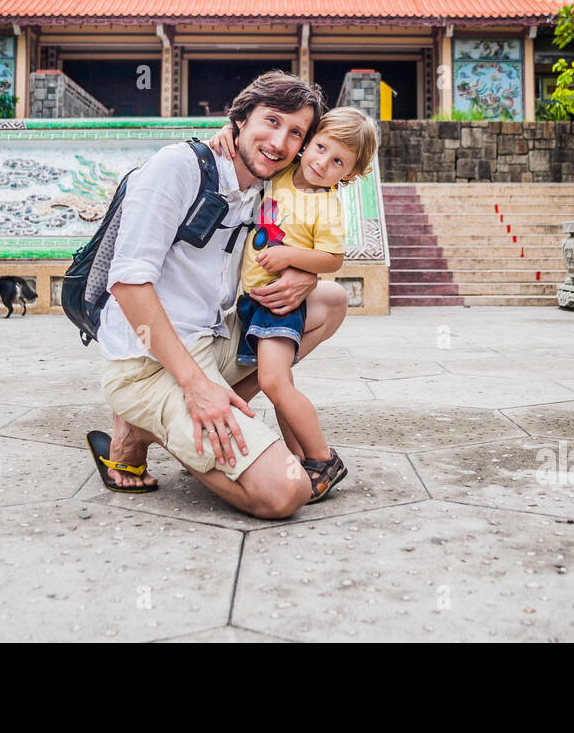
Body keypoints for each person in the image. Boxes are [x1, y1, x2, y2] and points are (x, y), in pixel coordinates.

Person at [90, 71, 348, 519]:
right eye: (270, 120)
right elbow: (128, 285)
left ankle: (163, 429)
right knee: (286, 492)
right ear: (241, 118)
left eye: (295, 133)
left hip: (212, 338)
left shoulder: (269, 177)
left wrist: (304, 272)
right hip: (148, 363)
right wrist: (197, 388)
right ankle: (157, 424)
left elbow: (322, 201)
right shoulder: (177, 168)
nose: (279, 141)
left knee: (331, 300)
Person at [208, 107, 378, 502]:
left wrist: (289, 257)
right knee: (279, 384)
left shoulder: (326, 207)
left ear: (349, 175)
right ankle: (301, 456)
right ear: (305, 144)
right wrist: (225, 133)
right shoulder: (282, 174)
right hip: (252, 301)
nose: (322, 163)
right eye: (320, 148)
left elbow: (333, 259)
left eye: (338, 161)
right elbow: (248, 150)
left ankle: (323, 458)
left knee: (274, 382)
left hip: (280, 305)